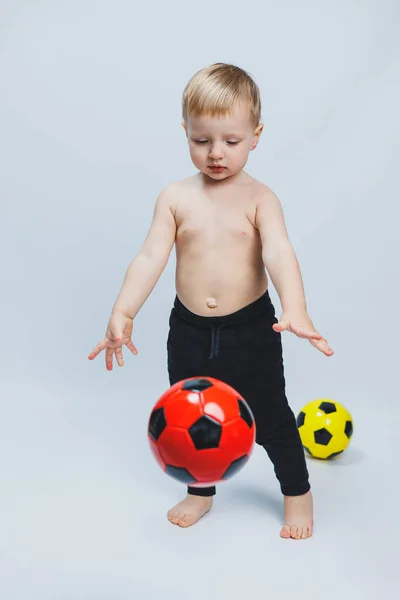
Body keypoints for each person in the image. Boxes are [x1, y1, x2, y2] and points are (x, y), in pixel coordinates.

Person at [88, 63, 334, 539]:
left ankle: (297, 493)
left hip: (250, 329)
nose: (216, 153)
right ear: (186, 132)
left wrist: (295, 307)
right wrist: (123, 310)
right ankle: (200, 492)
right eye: (202, 141)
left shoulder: (261, 198)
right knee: (191, 416)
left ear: (256, 136)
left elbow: (279, 251)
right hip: (190, 330)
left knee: (271, 417)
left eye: (231, 141)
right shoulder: (176, 197)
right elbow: (149, 256)